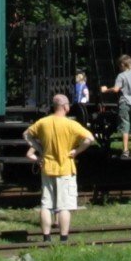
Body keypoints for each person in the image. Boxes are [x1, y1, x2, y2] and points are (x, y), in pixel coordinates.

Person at [23, 92, 95, 242]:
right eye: (68, 104)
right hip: (65, 168)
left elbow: (26, 135)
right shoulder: (71, 124)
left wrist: (40, 150)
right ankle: (63, 238)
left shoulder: (43, 122)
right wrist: (76, 151)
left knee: (46, 204)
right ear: (64, 107)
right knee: (64, 206)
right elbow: (89, 139)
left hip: (47, 167)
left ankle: (46, 237)